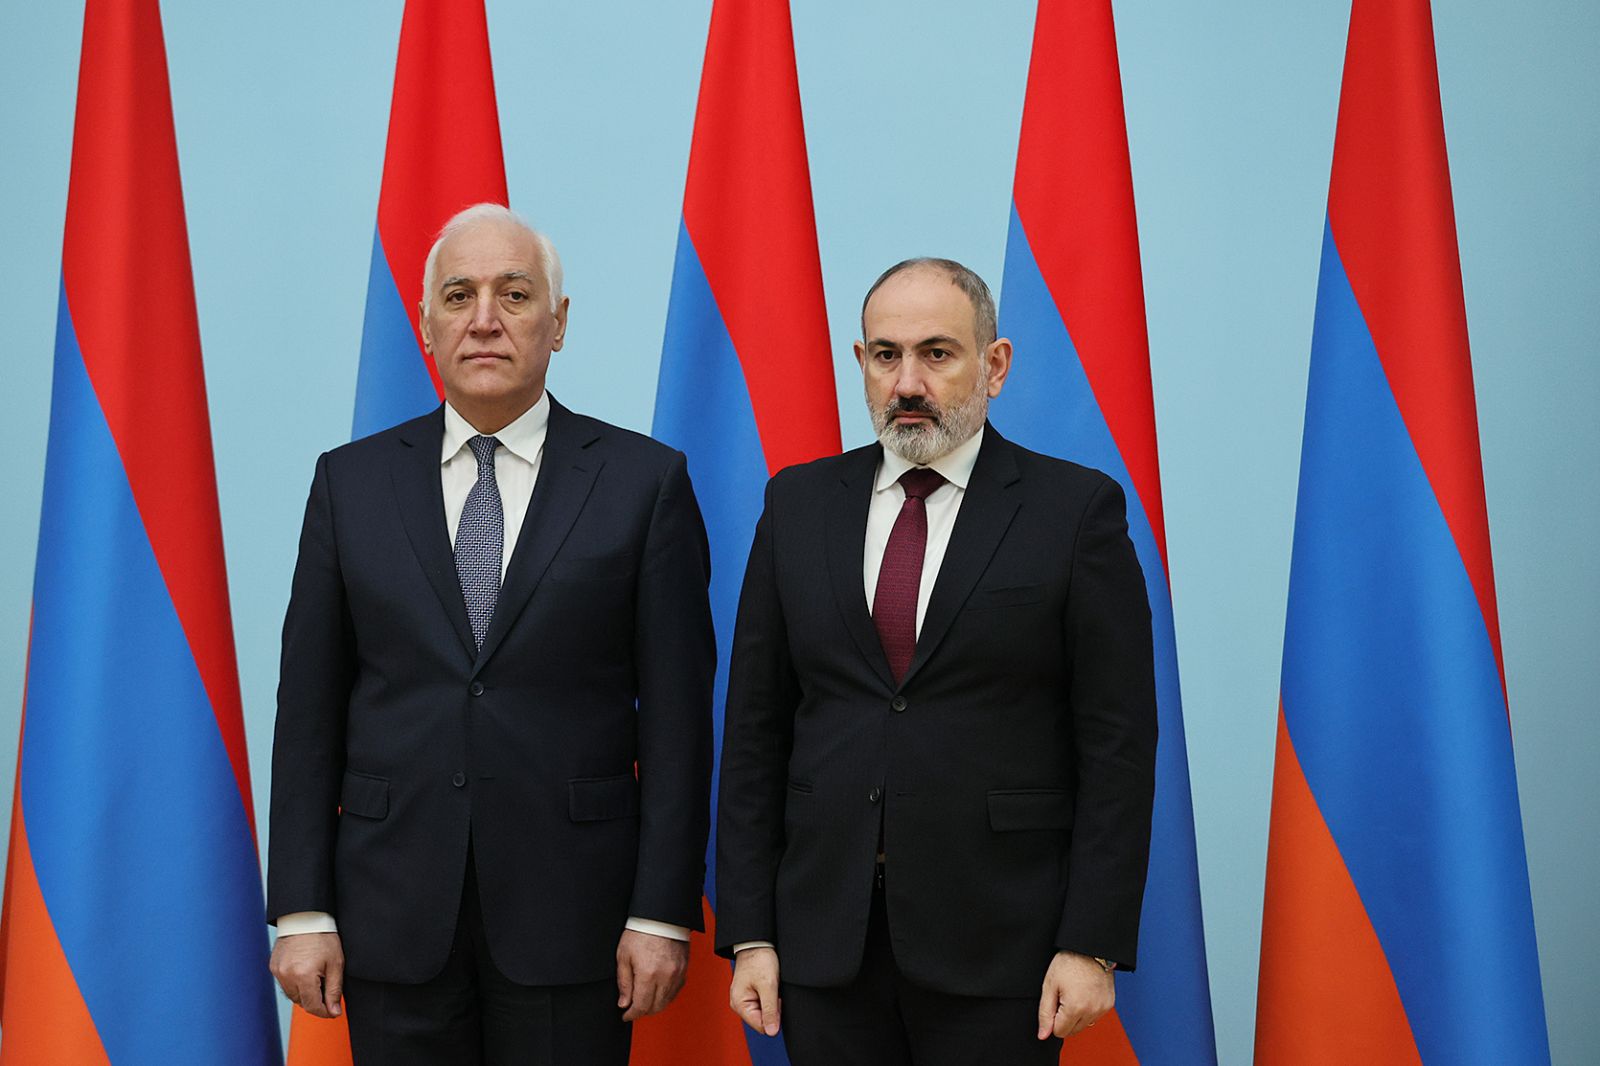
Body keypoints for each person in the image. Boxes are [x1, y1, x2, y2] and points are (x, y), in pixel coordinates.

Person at [266, 203, 714, 1065]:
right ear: (425, 325)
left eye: (514, 294)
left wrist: (661, 911)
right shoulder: (349, 484)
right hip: (391, 910)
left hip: (574, 914)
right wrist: (302, 907)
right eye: (458, 296)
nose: (484, 320)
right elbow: (309, 710)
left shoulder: (643, 483)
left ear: (558, 322)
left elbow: (678, 720)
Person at [715, 258, 1158, 1065]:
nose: (908, 383)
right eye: (886, 356)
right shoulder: (797, 504)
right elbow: (754, 732)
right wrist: (750, 930)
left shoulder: (1073, 511)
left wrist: (1091, 942)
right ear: (861, 363)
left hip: (1002, 947)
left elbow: (1117, 746)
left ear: (995, 364)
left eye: (937, 353)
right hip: (826, 942)